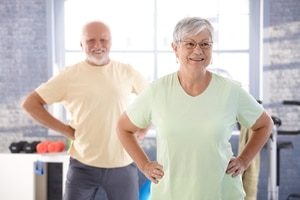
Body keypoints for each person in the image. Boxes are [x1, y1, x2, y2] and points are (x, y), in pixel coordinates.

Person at [117, 16, 274, 200]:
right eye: (190, 44)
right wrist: (144, 165)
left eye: (205, 44)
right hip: (170, 194)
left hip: (221, 193)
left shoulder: (231, 91)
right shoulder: (157, 91)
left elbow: (264, 124)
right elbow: (123, 128)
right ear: (175, 48)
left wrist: (244, 160)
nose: (198, 50)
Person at [21, 20, 148, 200]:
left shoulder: (127, 72)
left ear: (110, 43)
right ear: (81, 44)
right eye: (90, 40)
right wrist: (65, 130)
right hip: (83, 165)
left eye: (103, 40)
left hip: (122, 164)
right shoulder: (69, 76)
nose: (97, 45)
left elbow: (152, 99)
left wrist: (144, 128)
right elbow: (30, 103)